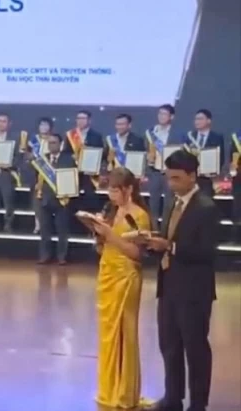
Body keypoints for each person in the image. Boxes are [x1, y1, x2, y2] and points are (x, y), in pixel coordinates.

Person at [145, 149, 219, 411]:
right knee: (170, 346)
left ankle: (198, 403)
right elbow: (168, 239)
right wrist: (152, 243)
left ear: (192, 176)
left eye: (176, 178)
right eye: (169, 178)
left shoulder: (206, 208)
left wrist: (170, 246)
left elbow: (207, 252)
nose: (171, 183)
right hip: (168, 287)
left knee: (195, 349)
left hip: (194, 291)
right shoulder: (172, 203)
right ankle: (172, 398)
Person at [85, 168, 152, 409]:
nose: (111, 195)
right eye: (110, 190)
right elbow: (104, 249)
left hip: (126, 277)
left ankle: (125, 392)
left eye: (115, 190)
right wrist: (99, 234)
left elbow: (136, 253)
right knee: (108, 334)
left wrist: (110, 235)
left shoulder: (139, 216)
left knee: (125, 334)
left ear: (129, 189)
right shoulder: (111, 211)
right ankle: (109, 387)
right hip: (108, 274)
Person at [33, 134, 74, 265]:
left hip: (62, 200)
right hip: (44, 198)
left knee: (62, 231)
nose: (51, 145)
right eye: (49, 143)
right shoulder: (42, 160)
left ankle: (61, 257)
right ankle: (45, 256)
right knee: (45, 230)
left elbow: (72, 177)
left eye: (54, 142)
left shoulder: (68, 160)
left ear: (60, 144)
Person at [20, 117, 55, 234]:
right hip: (35, 175)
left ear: (50, 127)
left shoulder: (54, 140)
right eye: (41, 125)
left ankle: (49, 225)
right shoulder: (33, 140)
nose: (43, 127)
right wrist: (29, 156)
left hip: (49, 175)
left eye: (46, 125)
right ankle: (38, 224)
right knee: (36, 201)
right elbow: (26, 156)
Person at [66, 110, 105, 212]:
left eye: (83, 118)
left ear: (89, 120)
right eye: (78, 118)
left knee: (90, 199)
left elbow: (101, 154)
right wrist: (72, 157)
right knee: (72, 202)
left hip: (89, 174)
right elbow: (65, 153)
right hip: (74, 173)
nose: (80, 121)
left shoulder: (96, 136)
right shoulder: (70, 135)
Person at [185, 109, 225, 198]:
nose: (197, 121)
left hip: (207, 179)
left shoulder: (217, 137)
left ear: (208, 121)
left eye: (200, 119)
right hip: (191, 178)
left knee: (206, 202)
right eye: (196, 119)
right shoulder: (189, 136)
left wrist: (213, 173)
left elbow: (220, 158)